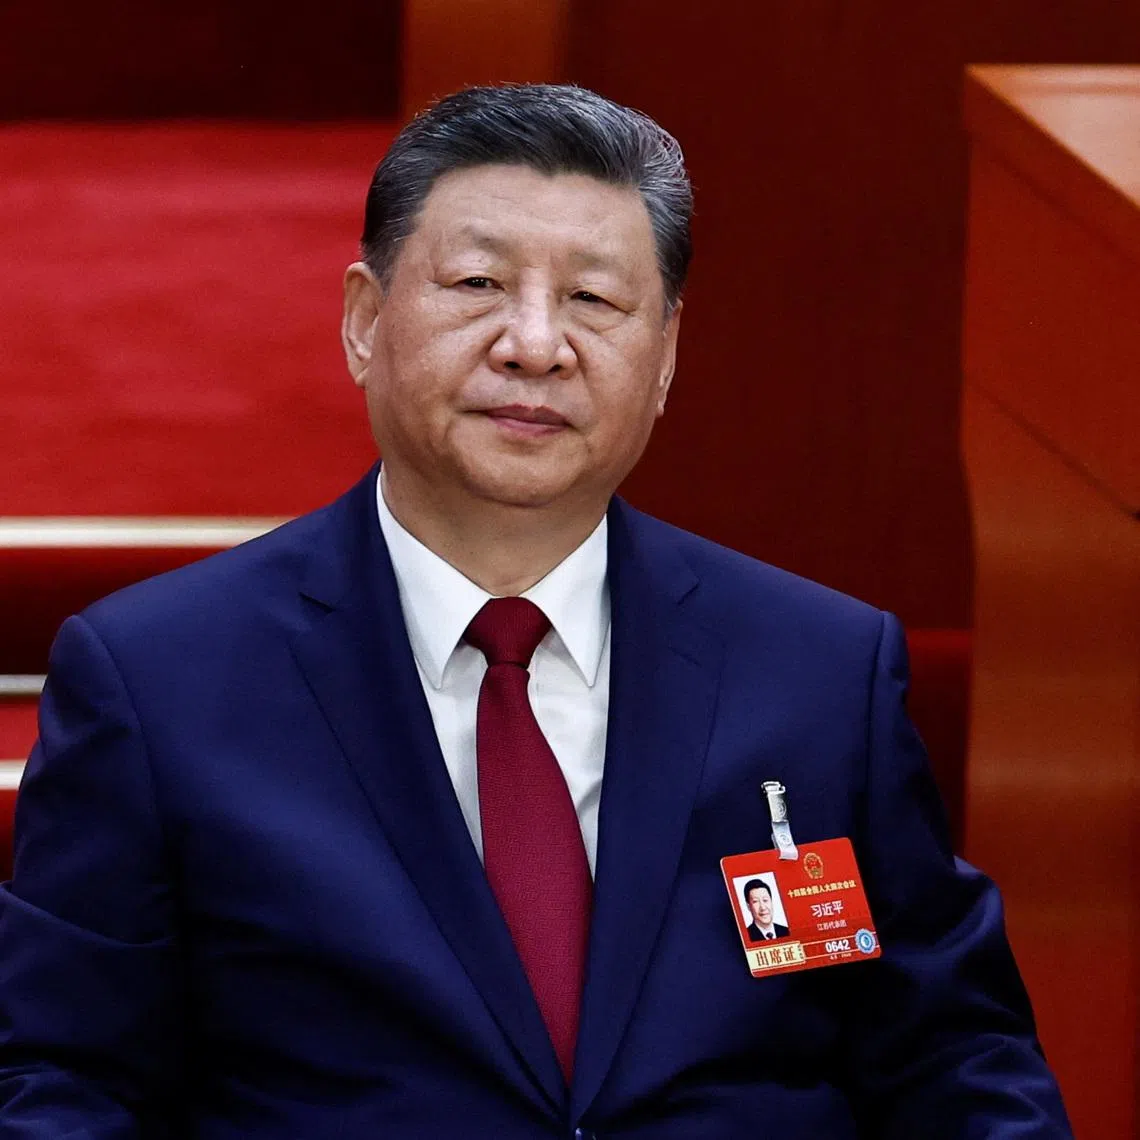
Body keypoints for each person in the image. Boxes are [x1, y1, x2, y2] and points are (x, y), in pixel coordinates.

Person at [0, 84, 1071, 1138]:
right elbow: (65, 1077)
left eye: (596, 301)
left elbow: (952, 1053)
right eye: (477, 283)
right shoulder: (160, 680)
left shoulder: (823, 668)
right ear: (365, 323)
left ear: (666, 358)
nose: (535, 344)